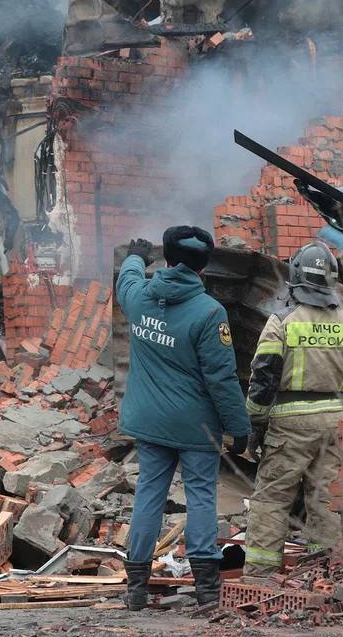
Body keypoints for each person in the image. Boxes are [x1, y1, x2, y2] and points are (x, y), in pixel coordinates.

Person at [116, 225, 252, 610]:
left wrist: (135, 257)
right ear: (203, 269)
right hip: (196, 427)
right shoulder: (210, 312)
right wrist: (238, 427)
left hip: (150, 423)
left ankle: (136, 590)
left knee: (148, 496)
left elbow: (126, 279)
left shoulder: (141, 298)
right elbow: (221, 378)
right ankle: (208, 591)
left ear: (168, 260)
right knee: (201, 498)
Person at [242, 240, 343, 577]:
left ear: (295, 279)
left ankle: (261, 574)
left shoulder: (282, 322)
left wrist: (255, 425)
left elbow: (263, 378)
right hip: (338, 421)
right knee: (326, 497)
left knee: (272, 498)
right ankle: (325, 570)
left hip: (290, 422)